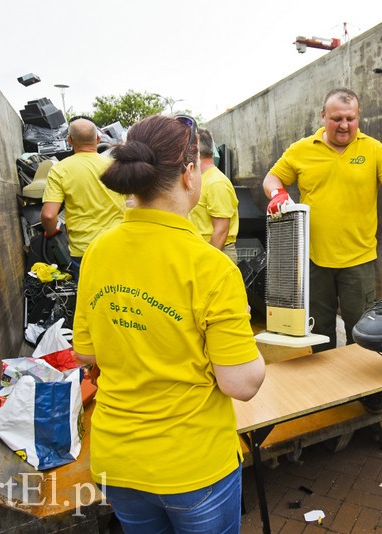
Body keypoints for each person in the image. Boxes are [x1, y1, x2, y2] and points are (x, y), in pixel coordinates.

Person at [72, 114, 266, 533]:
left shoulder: (98, 252)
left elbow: (86, 352)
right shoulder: (211, 267)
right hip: (192, 466)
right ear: (189, 173)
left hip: (117, 460)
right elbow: (242, 384)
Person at [262, 87, 382, 356]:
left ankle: (366, 394)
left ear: (358, 117)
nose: (345, 125)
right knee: (318, 332)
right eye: (337, 119)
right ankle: (329, 392)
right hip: (314, 260)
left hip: (358, 262)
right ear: (323, 116)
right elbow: (272, 178)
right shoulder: (301, 150)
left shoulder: (373, 150)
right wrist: (277, 193)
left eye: (351, 118)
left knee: (362, 332)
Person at [41, 118, 126, 274]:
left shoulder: (60, 169)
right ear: (98, 139)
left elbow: (48, 215)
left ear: (70, 140)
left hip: (84, 250)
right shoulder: (116, 167)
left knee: (90, 297)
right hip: (118, 245)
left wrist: (51, 232)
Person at [189, 128, 240, 263]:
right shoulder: (201, 179)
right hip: (202, 251)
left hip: (217, 254)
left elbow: (221, 231)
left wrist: (207, 262)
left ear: (195, 151)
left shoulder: (216, 182)